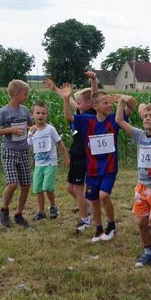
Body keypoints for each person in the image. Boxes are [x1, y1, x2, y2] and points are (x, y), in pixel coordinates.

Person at [60, 84, 120, 242]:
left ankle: (112, 225)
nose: (109, 105)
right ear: (95, 106)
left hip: (109, 167)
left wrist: (124, 99)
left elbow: (132, 107)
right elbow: (69, 117)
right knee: (93, 200)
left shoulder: (114, 120)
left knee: (104, 196)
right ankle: (99, 228)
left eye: (110, 102)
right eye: (105, 102)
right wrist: (66, 99)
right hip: (93, 169)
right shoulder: (87, 120)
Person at [115, 97, 151, 269]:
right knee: (141, 223)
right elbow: (119, 120)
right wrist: (121, 102)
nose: (147, 118)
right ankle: (148, 251)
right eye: (145, 115)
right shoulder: (139, 135)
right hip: (142, 187)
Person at [45, 80, 95, 233]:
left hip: (83, 156)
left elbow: (69, 112)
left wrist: (93, 81)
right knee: (69, 188)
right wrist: (55, 89)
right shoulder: (82, 110)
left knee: (79, 190)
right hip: (75, 155)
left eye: (79, 103)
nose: (76, 105)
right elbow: (71, 100)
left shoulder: (90, 115)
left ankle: (85, 220)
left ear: (89, 103)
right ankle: (89, 208)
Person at [0, 79, 34, 228]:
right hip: (9, 150)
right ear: (16, 94)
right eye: (25, 94)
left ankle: (19, 214)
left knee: (26, 184)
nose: (27, 96)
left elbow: (30, 124)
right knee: (13, 183)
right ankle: (4, 210)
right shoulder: (4, 112)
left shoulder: (25, 110)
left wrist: (33, 128)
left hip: (23, 150)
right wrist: (10, 130)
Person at [27, 101, 69, 221]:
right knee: (38, 188)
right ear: (32, 115)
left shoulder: (50, 129)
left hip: (50, 163)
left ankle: (53, 206)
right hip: (38, 164)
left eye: (43, 113)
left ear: (47, 115)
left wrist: (66, 158)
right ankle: (41, 211)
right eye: (38, 113)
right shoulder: (31, 131)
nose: (40, 115)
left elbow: (60, 144)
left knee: (47, 187)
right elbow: (28, 146)